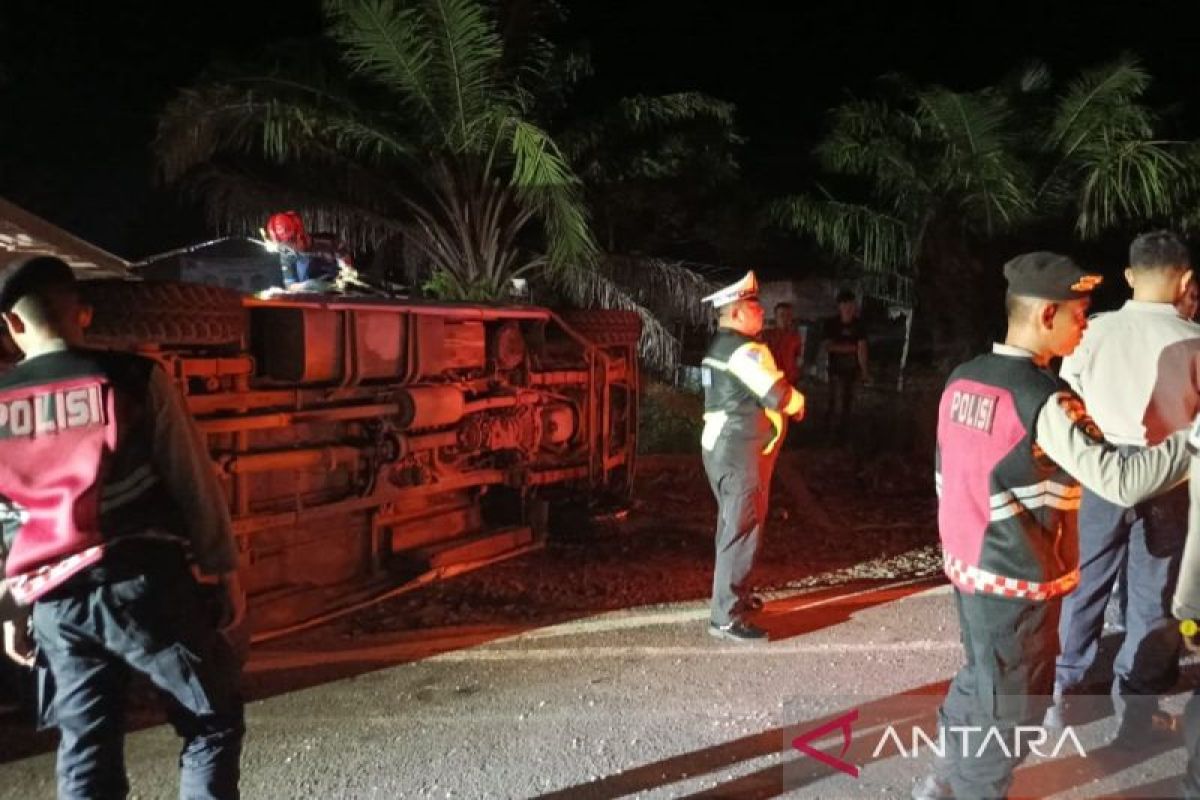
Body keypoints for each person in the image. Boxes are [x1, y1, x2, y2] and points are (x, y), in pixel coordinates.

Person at [914, 252, 1192, 800]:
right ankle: (970, 788)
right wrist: (1191, 444)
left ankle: (944, 779)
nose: (1085, 326)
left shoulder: (964, 378)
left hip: (972, 570)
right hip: (1019, 581)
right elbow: (1119, 480)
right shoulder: (1045, 401)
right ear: (1047, 316)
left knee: (980, 679)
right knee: (1010, 712)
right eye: (1079, 314)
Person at [0, 255, 245, 799]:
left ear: (12, 326)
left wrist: (12, 609)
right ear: (82, 315)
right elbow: (191, 479)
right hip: (144, 584)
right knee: (211, 721)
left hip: (55, 604)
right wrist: (223, 568)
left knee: (86, 750)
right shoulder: (133, 377)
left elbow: (6, 518)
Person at [1046, 231, 1200, 745]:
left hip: (1100, 469)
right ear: (1185, 280)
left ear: (1130, 277)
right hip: (1169, 477)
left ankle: (1060, 692)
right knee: (1154, 593)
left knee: (1086, 580)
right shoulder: (1194, 340)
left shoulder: (1096, 330)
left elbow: (1073, 393)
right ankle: (1137, 709)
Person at [699, 271, 805, 642]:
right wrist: (799, 402)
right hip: (741, 453)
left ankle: (734, 594)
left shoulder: (719, 346)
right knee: (742, 530)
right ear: (739, 312)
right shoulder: (746, 351)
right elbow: (778, 396)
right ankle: (727, 615)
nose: (761, 313)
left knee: (731, 526)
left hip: (721, 449)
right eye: (755, 307)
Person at [821, 290, 869, 441]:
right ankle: (828, 434)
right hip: (835, 370)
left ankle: (843, 435)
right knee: (834, 402)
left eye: (851, 305)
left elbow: (862, 348)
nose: (848, 308)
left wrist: (864, 371)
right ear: (839, 306)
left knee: (848, 403)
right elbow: (827, 346)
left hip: (852, 370)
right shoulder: (831, 324)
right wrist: (851, 348)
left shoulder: (859, 325)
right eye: (845, 305)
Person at [263, 210, 352, 291]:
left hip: (337, 298)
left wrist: (332, 286)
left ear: (300, 234)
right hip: (307, 300)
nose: (290, 247)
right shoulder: (287, 253)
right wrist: (306, 285)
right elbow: (290, 286)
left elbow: (349, 274)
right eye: (284, 244)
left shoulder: (332, 243)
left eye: (291, 241)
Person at [761, 302, 804, 387]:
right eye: (782, 315)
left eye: (788, 315)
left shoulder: (796, 337)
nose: (785, 319)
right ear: (776, 317)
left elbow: (798, 358)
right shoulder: (766, 335)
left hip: (790, 379)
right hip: (772, 379)